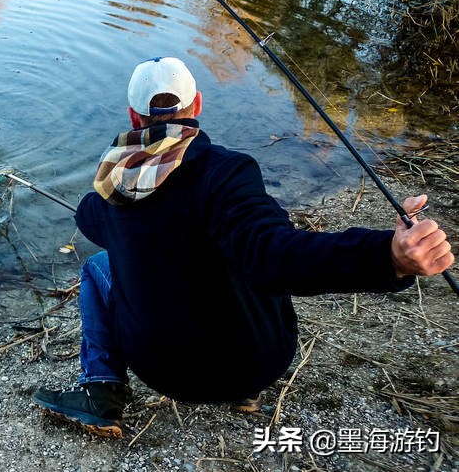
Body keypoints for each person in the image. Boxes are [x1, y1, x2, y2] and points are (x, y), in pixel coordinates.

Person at [32, 56, 455, 438]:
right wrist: (387, 256)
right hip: (259, 363)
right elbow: (275, 253)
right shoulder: (228, 174)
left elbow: (88, 219)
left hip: (164, 372)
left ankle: (101, 390)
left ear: (132, 116)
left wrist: (387, 256)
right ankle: (245, 394)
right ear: (196, 106)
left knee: (98, 267)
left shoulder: (112, 192)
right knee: (243, 252)